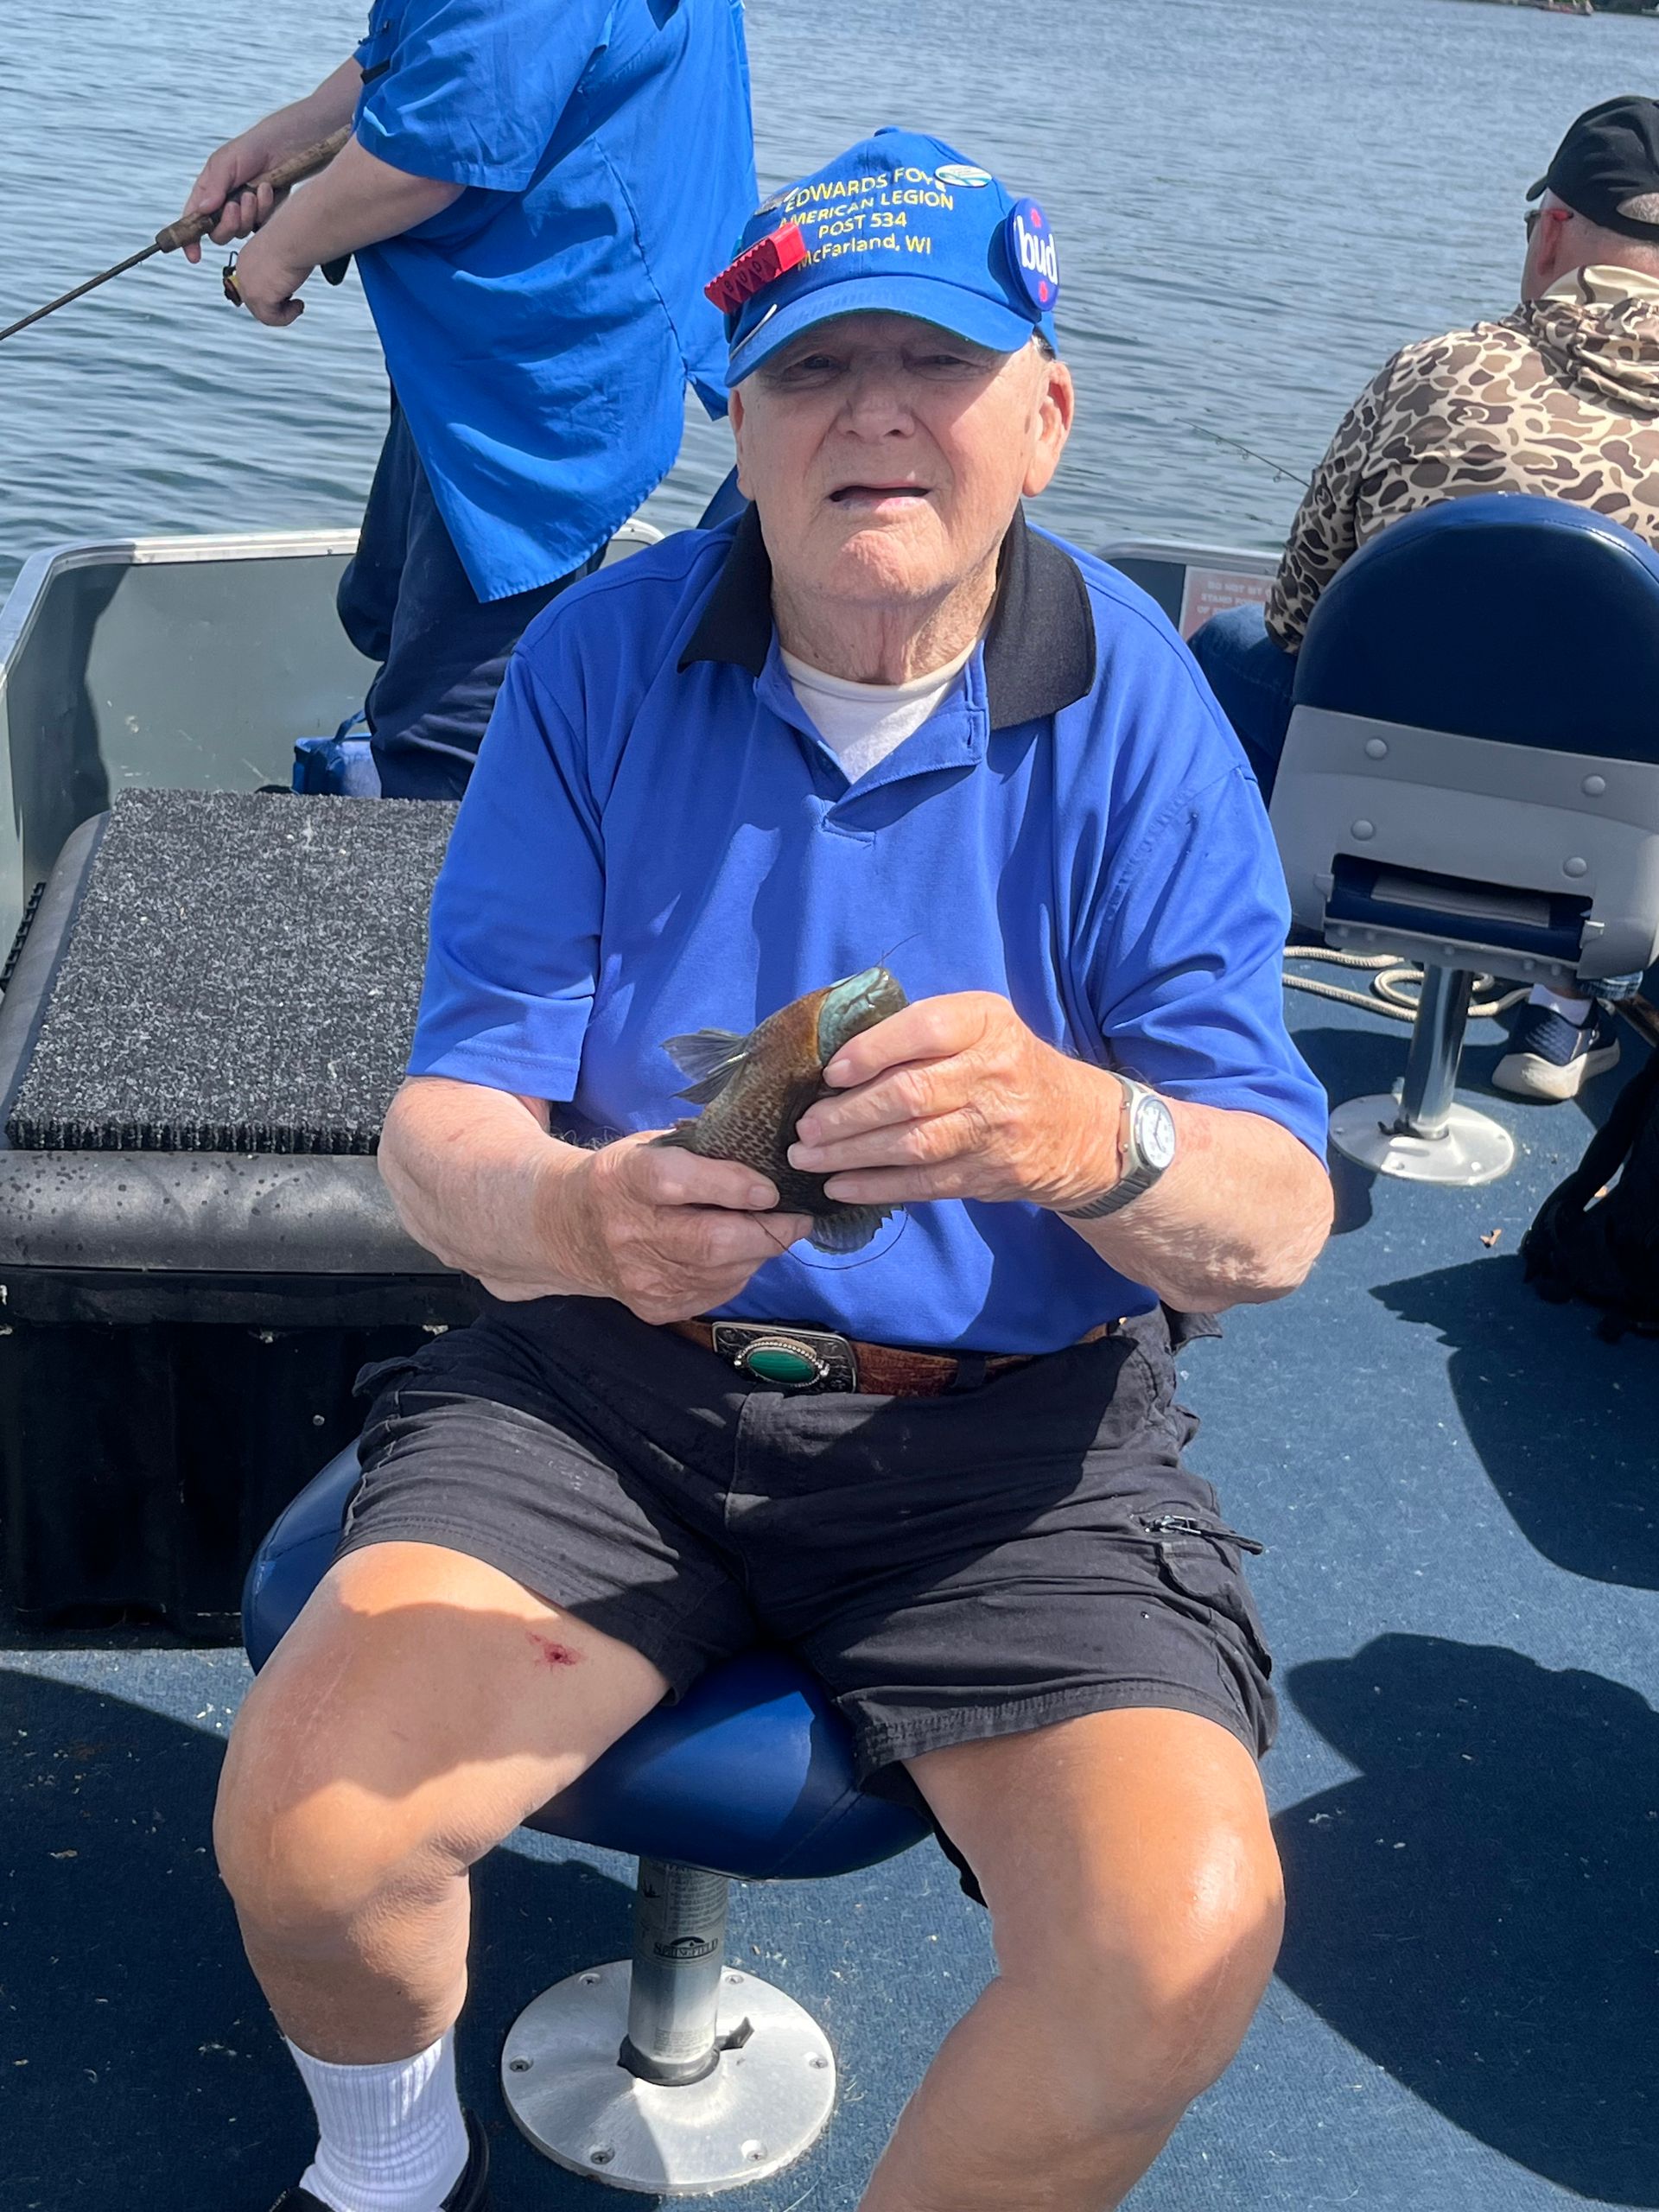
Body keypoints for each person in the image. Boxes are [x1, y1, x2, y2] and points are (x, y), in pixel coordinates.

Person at [213, 130, 1334, 2212]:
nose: (876, 414)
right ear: (734, 421)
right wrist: (574, 1212)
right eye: (813, 368)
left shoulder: (1147, 710)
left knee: (1171, 1947)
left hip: (1012, 1435)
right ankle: (383, 2164)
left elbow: (1270, 1221)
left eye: (940, 362)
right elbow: (446, 1126)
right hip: (604, 1387)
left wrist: (1087, 1132)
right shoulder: (594, 659)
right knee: (309, 1827)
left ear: (1047, 415)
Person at [1190, 93, 1659, 1100]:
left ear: (1553, 230)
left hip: (1367, 818)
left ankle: (1226, 948)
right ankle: (1565, 1008)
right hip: (1609, 857)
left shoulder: (1431, 373)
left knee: (1223, 647)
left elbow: (1295, 618)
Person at [177, 0, 754, 800]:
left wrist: (282, 248)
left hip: (545, 359)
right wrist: (283, 143)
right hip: (473, 344)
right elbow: (440, 44)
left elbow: (446, 139)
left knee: (450, 736)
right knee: (389, 612)